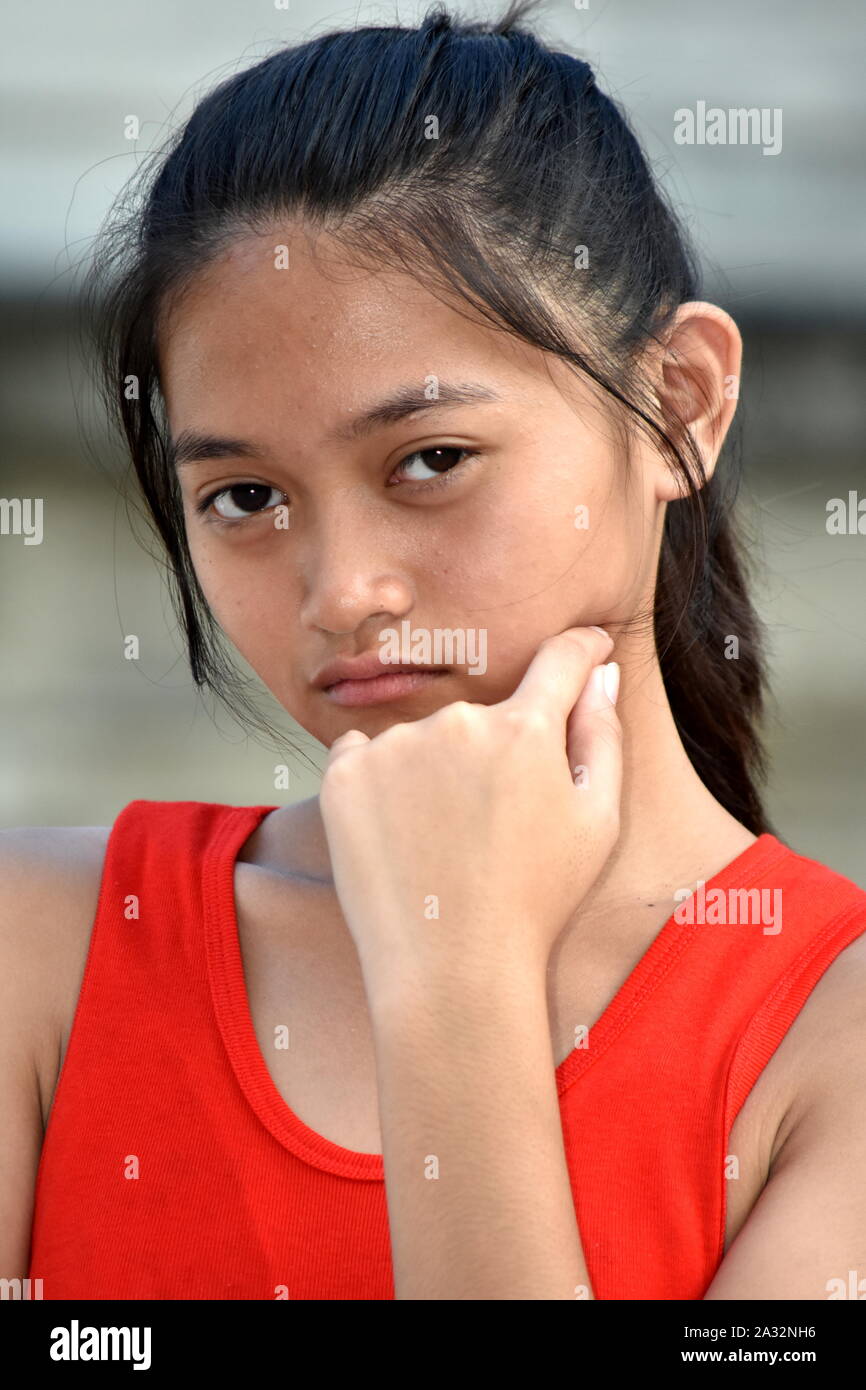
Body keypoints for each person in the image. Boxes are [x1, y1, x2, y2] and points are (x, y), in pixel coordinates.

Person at [3, 0, 865, 1301]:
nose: (342, 590)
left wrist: (453, 976)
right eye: (244, 497)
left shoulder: (825, 1039)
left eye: (430, 461)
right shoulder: (47, 953)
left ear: (679, 407)